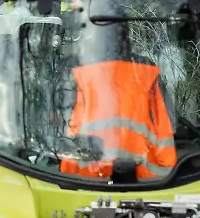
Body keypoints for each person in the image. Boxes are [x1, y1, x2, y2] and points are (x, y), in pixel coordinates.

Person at [65, 19, 178, 182]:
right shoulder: (146, 70)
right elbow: (168, 126)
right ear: (127, 35)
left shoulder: (79, 72)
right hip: (145, 181)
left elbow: (67, 127)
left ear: (93, 36)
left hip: (88, 180)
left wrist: (64, 175)